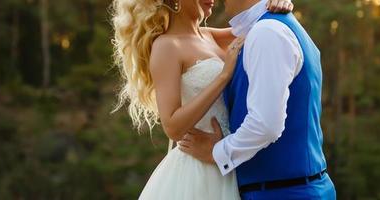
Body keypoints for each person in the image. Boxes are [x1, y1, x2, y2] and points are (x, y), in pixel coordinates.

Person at [110, 0, 293, 199]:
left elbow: (257, 24)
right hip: (196, 169)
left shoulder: (209, 35)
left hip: (226, 161)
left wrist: (276, 2)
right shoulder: (166, 46)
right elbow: (172, 126)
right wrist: (223, 77)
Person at [178, 0, 337, 199]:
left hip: (284, 193)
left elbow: (266, 124)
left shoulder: (267, 33)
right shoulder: (267, 28)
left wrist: (216, 152)